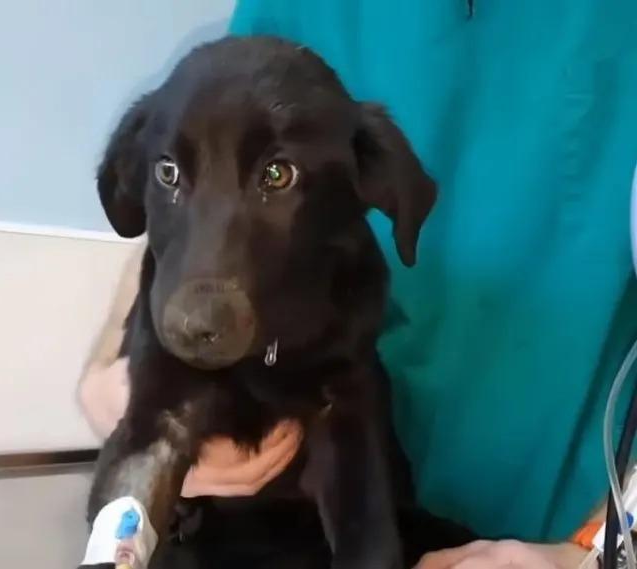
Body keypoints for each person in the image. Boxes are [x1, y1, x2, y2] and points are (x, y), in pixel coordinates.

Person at [79, 1, 637, 566]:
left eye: (276, 177)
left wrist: (590, 553)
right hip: (271, 526)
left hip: (560, 531)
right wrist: (108, 381)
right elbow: (200, 204)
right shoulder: (294, 13)